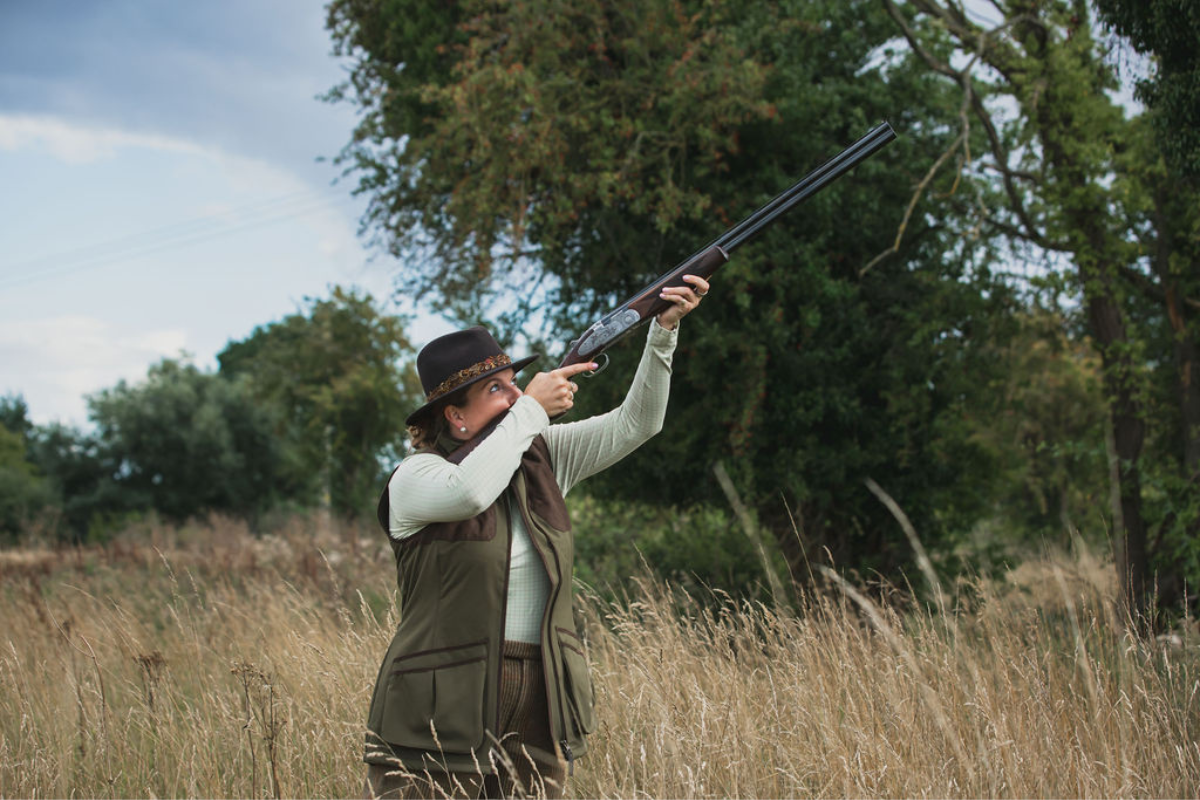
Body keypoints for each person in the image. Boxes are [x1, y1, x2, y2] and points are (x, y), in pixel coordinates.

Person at [363, 273, 711, 799]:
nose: (515, 395)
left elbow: (637, 425)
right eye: (495, 389)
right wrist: (529, 408)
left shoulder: (542, 458)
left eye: (514, 383)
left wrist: (662, 333)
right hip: (437, 710)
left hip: (537, 702)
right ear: (455, 416)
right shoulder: (417, 478)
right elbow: (470, 492)